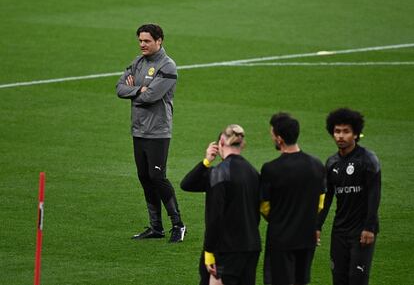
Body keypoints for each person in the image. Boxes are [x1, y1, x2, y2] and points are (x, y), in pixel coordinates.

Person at [116, 23, 186, 243]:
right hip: (138, 129)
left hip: (157, 131)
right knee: (145, 177)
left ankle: (178, 224)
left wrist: (135, 91)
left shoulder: (168, 66)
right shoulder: (137, 62)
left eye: (146, 41)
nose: (142, 45)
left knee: (157, 177)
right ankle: (156, 227)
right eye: (140, 40)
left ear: (159, 41)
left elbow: (152, 96)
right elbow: (119, 88)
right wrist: (139, 89)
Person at [181, 124, 261, 285]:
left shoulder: (219, 173)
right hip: (251, 247)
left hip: (225, 250)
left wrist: (209, 252)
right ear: (242, 144)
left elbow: (214, 217)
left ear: (221, 144)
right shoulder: (253, 172)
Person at [316, 108, 381, 285]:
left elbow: (375, 194)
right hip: (339, 231)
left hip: (361, 231)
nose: (341, 136)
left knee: (357, 280)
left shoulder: (368, 160)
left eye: (346, 131)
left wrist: (369, 227)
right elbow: (327, 197)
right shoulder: (331, 162)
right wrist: (317, 226)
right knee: (339, 279)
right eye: (337, 131)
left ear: (356, 134)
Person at [260, 112, 326, 285]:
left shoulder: (271, 169)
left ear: (279, 139)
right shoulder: (316, 165)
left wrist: (278, 218)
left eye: (273, 135)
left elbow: (264, 206)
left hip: (280, 238)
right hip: (307, 237)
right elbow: (320, 202)